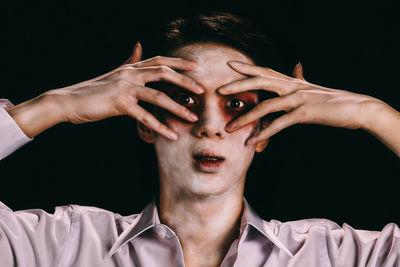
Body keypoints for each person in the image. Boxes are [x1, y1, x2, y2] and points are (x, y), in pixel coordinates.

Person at [1, 12, 399, 267]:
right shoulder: (57, 246)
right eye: (185, 99)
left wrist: (377, 116)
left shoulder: (337, 256)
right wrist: (50, 106)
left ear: (265, 131)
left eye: (238, 104)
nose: (210, 125)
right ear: (142, 120)